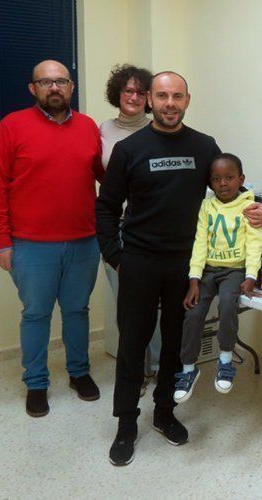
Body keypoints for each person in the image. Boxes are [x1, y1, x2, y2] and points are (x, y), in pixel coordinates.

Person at [96, 71, 262, 466]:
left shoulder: (204, 146)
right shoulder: (130, 148)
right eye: (162, 96)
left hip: (188, 266)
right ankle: (126, 425)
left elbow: (232, 190)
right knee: (133, 344)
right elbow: (106, 208)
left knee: (176, 343)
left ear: (187, 100)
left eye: (177, 96)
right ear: (150, 101)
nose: (169, 103)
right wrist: (116, 256)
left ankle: (164, 413)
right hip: (138, 261)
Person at [0, 60, 103, 417]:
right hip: (30, 245)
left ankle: (78, 373)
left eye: (61, 81)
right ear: (33, 89)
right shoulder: (11, 127)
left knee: (76, 311)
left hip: (85, 241)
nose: (54, 88)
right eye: (46, 82)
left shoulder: (87, 127)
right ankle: (36, 383)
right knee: (36, 315)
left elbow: (107, 177)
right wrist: (0, 241)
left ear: (71, 87)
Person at [174, 153, 262, 403]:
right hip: (207, 271)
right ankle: (188, 369)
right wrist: (193, 279)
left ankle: (225, 360)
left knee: (227, 305)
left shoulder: (249, 207)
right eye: (216, 179)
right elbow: (200, 243)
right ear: (210, 183)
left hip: (234, 271)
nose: (223, 183)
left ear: (240, 179)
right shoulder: (206, 207)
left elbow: (255, 244)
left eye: (229, 178)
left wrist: (250, 276)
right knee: (192, 312)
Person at [99, 64, 161, 395]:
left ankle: (158, 368)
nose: (134, 97)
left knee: (155, 304)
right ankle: (134, 372)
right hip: (119, 228)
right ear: (117, 94)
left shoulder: (159, 130)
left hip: (152, 231)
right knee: (127, 306)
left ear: (149, 98)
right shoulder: (103, 130)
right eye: (128, 91)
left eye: (141, 92)